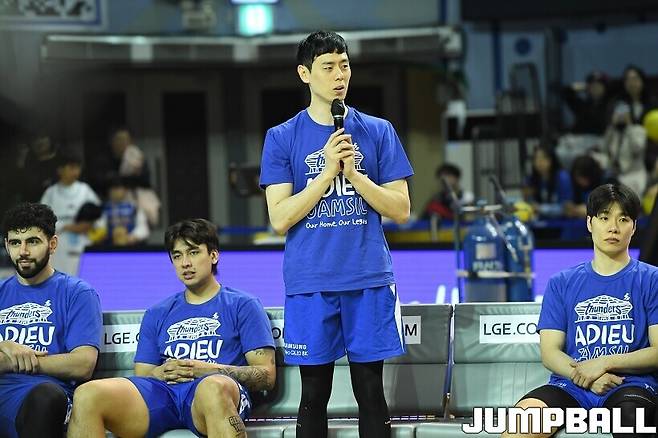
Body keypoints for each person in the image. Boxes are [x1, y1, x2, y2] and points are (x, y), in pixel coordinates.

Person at [259, 30, 413, 437]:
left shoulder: (378, 131)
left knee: (371, 391)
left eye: (344, 65)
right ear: (304, 74)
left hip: (367, 278)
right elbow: (279, 218)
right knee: (313, 393)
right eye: (328, 67)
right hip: (311, 281)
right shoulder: (282, 137)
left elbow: (401, 209)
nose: (339, 75)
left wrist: (356, 177)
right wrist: (326, 174)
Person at [67, 218, 276, 438]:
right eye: (177, 256)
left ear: (214, 256)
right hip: (164, 395)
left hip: (212, 395)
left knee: (213, 387)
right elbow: (144, 374)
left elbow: (266, 376)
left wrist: (206, 370)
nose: (185, 263)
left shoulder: (243, 305)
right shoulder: (157, 312)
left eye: (193, 253)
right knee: (87, 394)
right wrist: (158, 372)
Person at [502, 183, 658, 438]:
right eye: (604, 218)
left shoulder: (652, 279)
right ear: (589, 223)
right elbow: (550, 353)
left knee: (632, 421)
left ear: (634, 227)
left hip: (629, 385)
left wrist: (604, 363)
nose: (613, 227)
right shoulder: (561, 282)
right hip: (570, 385)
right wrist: (588, 376)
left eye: (623, 219)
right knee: (523, 422)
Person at [0, 202, 102, 438]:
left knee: (46, 397)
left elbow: (83, 364)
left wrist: (13, 362)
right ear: (6, 245)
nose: (23, 251)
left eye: (32, 242)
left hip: (42, 397)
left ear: (52, 244)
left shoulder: (77, 293)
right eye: (15, 243)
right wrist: (4, 345)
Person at [39, 151, 101, 275]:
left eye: (78, 168)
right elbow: (41, 221)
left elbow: (100, 218)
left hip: (83, 243)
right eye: (71, 168)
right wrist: (67, 226)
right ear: (60, 170)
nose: (75, 172)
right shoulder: (51, 193)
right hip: (59, 247)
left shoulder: (85, 191)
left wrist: (88, 225)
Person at [94, 175, 150, 246]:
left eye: (118, 188)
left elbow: (143, 228)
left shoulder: (134, 207)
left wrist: (133, 236)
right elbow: (99, 227)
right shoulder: (104, 209)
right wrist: (103, 235)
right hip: (109, 246)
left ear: (125, 190)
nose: (115, 192)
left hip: (131, 246)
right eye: (112, 189)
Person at [523, 145, 572, 219]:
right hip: (539, 221)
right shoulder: (531, 179)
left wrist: (540, 208)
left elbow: (567, 208)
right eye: (536, 158)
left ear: (552, 159)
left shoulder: (563, 178)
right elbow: (529, 204)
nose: (539, 162)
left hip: (562, 221)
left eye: (543, 158)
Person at [561, 70, 610, 135]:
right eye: (592, 85)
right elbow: (565, 91)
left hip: (600, 138)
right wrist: (584, 86)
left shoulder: (610, 105)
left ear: (605, 87)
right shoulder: (581, 105)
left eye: (599, 85)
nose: (595, 88)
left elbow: (618, 86)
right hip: (578, 137)